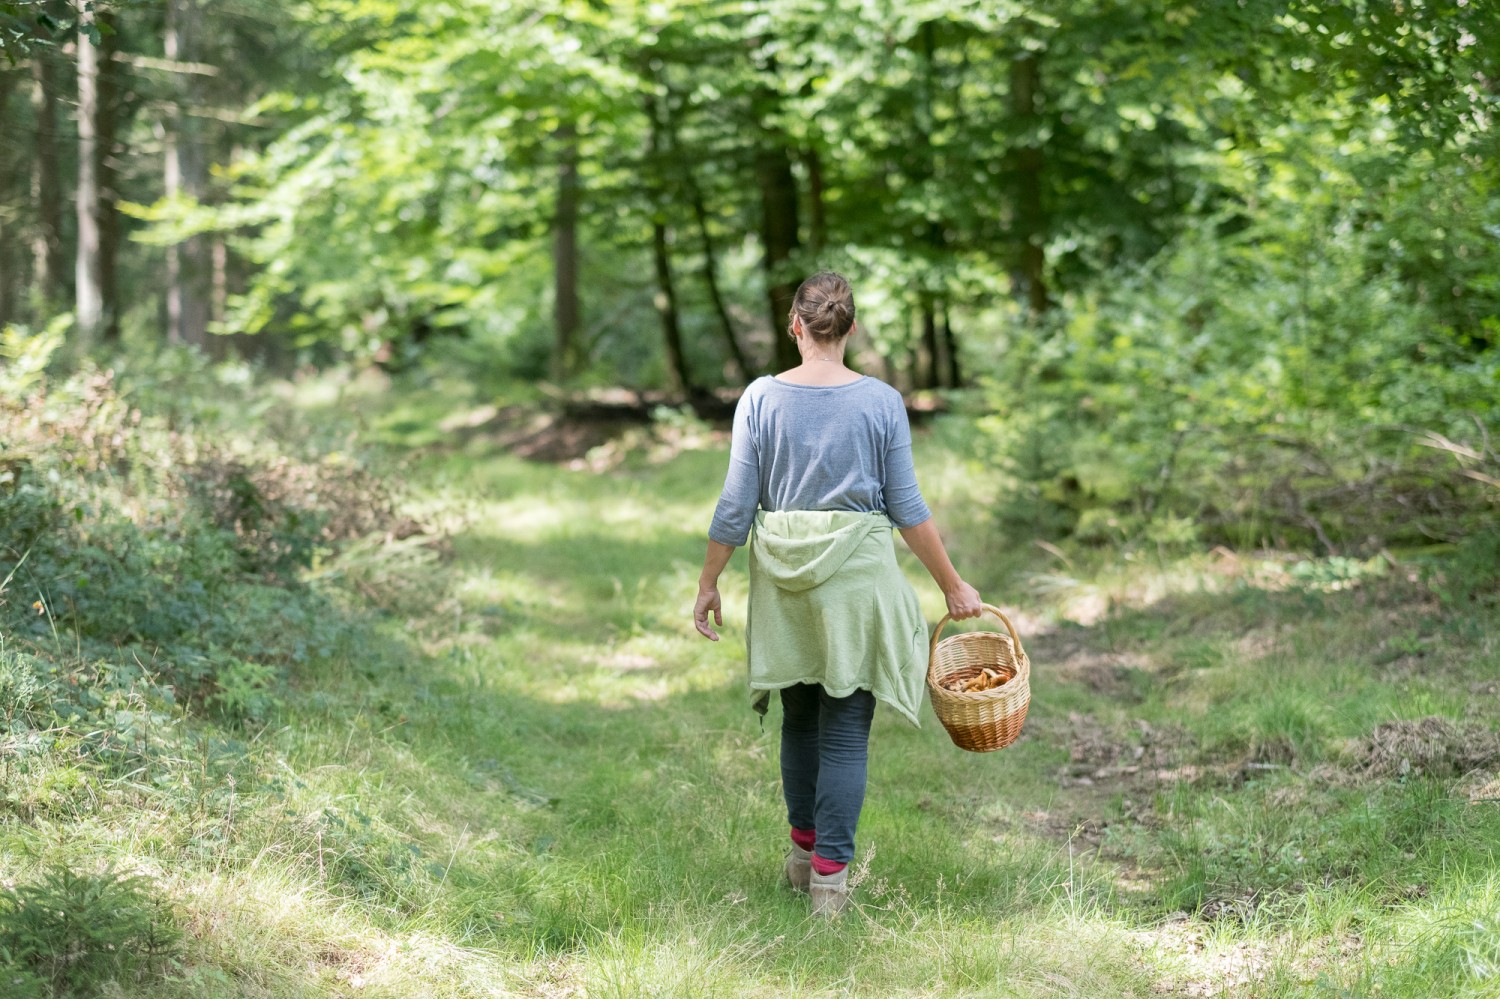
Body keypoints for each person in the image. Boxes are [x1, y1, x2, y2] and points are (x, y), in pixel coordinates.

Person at [693, 271, 983, 917]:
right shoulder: (880, 401)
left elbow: (736, 505)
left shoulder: (760, 398)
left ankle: (802, 855)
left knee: (799, 717)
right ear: (850, 328)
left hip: (783, 578)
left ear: (795, 325)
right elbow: (906, 507)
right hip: (855, 580)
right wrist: (954, 585)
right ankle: (829, 882)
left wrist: (709, 581)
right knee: (846, 729)